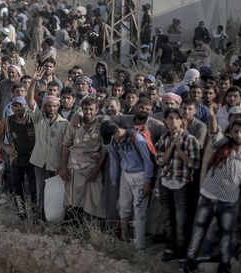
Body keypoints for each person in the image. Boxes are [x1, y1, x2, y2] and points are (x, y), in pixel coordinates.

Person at [184, 104, 241, 273]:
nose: (238, 135)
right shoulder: (224, 145)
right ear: (231, 132)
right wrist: (213, 116)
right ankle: (188, 269)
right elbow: (214, 136)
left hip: (229, 202)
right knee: (198, 234)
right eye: (236, 131)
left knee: (226, 239)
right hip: (208, 197)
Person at [156, 108, 201, 260]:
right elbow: (161, 161)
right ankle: (170, 249)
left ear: (182, 121)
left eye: (176, 118)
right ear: (166, 121)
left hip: (182, 185)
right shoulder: (163, 138)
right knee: (168, 219)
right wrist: (173, 146)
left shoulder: (190, 139)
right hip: (165, 183)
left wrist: (180, 149)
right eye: (170, 118)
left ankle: (181, 253)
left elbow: (194, 164)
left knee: (181, 221)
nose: (173, 121)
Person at [28, 67, 69, 221]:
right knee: (41, 193)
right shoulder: (39, 119)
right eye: (48, 106)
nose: (51, 108)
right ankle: (39, 220)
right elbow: (30, 100)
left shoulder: (65, 124)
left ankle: (54, 221)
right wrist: (33, 81)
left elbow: (66, 146)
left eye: (54, 106)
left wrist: (63, 165)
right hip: (40, 162)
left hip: (56, 164)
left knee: (55, 195)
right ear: (44, 106)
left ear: (58, 107)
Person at [107, 121, 155, 249]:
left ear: (117, 131)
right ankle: (125, 236)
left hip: (140, 176)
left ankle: (139, 245)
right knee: (123, 207)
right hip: (125, 175)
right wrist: (114, 181)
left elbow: (148, 161)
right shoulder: (113, 142)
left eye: (113, 136)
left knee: (140, 211)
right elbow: (114, 161)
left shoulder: (137, 139)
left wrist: (147, 181)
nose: (113, 139)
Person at [59, 97, 108, 220]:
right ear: (82, 109)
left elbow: (103, 151)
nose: (88, 112)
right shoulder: (75, 124)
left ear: (97, 110)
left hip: (92, 167)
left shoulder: (101, 126)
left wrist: (96, 171)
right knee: (72, 199)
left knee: (94, 200)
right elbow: (66, 145)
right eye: (85, 109)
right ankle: (72, 225)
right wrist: (63, 168)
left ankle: (91, 227)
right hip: (74, 167)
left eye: (91, 109)